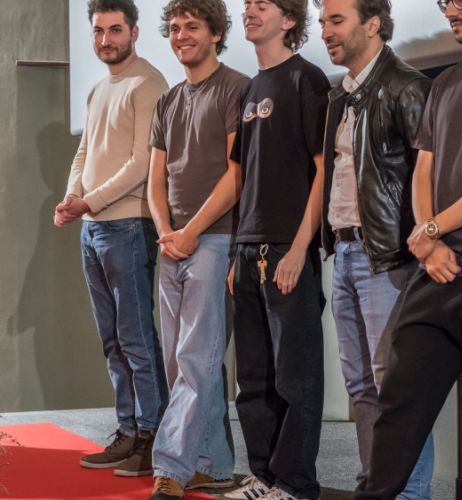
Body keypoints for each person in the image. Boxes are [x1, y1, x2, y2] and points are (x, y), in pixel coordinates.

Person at [354, 0, 462, 498]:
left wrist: (435, 226)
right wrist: (428, 239)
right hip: (437, 272)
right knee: (397, 407)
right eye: (444, 2)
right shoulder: (445, 83)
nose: (451, 9)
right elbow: (424, 169)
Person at [315, 0, 434, 497]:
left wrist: (424, 241)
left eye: (336, 20)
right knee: (360, 386)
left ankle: (408, 493)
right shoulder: (340, 96)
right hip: (345, 252)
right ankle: (376, 486)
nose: (325, 31)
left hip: (387, 258)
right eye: (323, 21)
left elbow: (430, 174)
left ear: (373, 24)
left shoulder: (407, 86)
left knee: (395, 390)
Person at [53, 0, 168, 477]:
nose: (105, 40)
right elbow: (84, 152)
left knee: (136, 338)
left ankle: (153, 437)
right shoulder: (99, 88)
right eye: (99, 31)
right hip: (93, 228)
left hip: (129, 226)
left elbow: (143, 163)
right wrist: (72, 197)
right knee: (112, 340)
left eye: (115, 30)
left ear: (134, 32)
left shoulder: (149, 84)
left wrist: (90, 201)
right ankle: (127, 430)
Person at [220, 1, 329, 499]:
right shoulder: (251, 89)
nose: (250, 11)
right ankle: (263, 477)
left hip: (287, 247)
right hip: (248, 250)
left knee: (296, 378)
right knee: (254, 379)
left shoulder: (306, 79)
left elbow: (324, 169)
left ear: (289, 20)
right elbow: (243, 178)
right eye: (247, 4)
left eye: (262, 5)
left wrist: (300, 247)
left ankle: (295, 483)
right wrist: (236, 252)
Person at [146, 1, 250, 499]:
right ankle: (212, 463)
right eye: (174, 27)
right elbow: (155, 180)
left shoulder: (235, 88)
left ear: (215, 34)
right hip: (173, 243)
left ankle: (170, 466)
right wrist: (168, 231)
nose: (181, 35)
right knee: (181, 362)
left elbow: (236, 175)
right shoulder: (167, 101)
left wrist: (192, 232)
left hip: (215, 239)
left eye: (192, 27)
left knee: (195, 358)